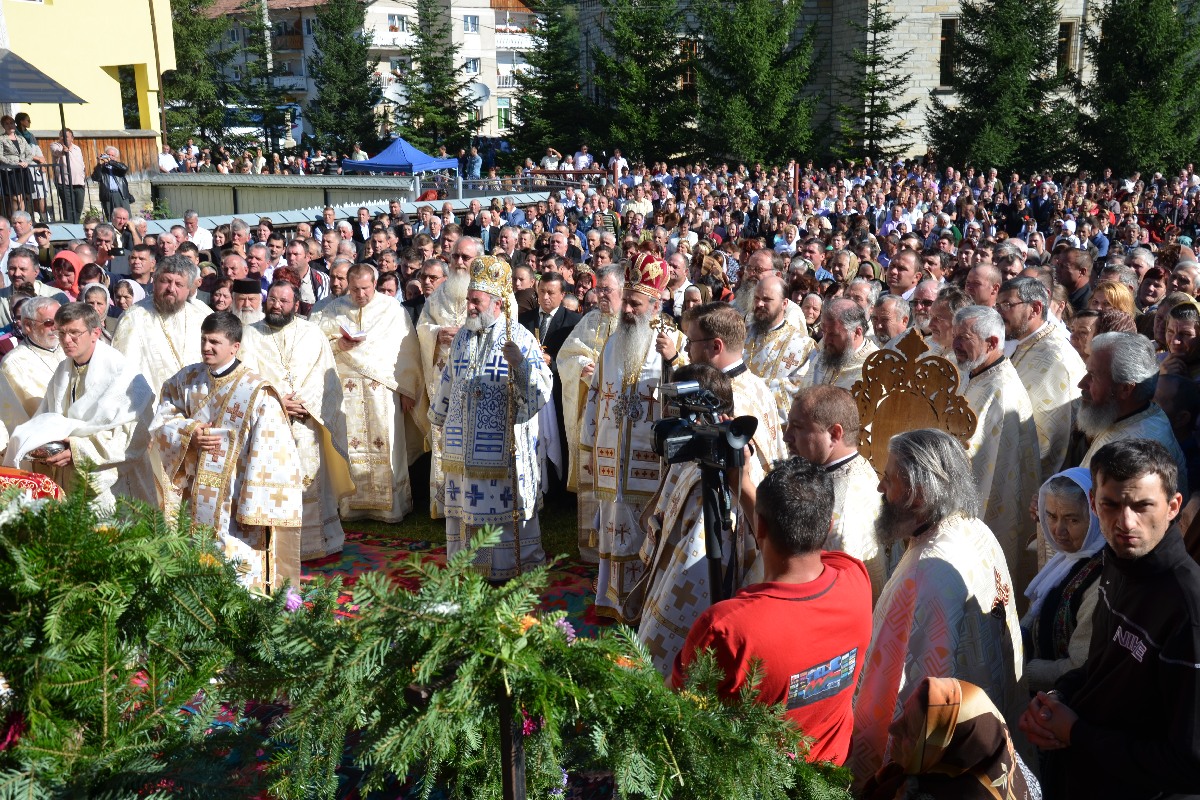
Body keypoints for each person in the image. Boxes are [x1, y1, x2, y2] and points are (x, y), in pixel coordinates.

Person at [1019, 439, 1200, 799]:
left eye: (1142, 505)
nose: (1125, 522)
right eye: (1111, 505)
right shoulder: (1117, 566)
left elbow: (1189, 764)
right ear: (1094, 505)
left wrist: (1076, 733)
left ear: (1173, 507)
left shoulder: (1187, 609)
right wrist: (1056, 699)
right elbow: (1098, 667)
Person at [671, 455, 872, 766]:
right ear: (828, 526)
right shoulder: (856, 580)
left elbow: (675, 711)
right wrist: (744, 484)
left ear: (759, 526)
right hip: (831, 777)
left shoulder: (727, 629)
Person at [850, 429, 1024, 785]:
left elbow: (924, 680)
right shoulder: (974, 528)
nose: (881, 489)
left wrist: (898, 773)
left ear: (917, 493)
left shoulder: (930, 568)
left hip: (946, 752)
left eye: (888, 479)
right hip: (984, 714)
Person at [150, 312, 303, 593]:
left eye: (215, 342)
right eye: (204, 340)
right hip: (197, 491)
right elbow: (163, 417)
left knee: (237, 562)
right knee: (197, 556)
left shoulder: (257, 391)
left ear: (235, 347)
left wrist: (253, 501)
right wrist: (189, 433)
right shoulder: (188, 379)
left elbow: (274, 450)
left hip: (236, 494)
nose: (207, 347)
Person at [580, 251, 689, 623]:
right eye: (626, 300)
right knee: (613, 528)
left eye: (635, 303)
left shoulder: (674, 344)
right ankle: (610, 599)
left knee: (646, 533)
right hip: (612, 459)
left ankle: (643, 608)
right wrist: (591, 444)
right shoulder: (613, 342)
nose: (626, 309)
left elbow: (690, 398)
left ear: (656, 306)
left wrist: (673, 362)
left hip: (652, 464)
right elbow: (596, 396)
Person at [430, 255, 552, 580]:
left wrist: (522, 366)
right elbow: (449, 380)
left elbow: (544, 389)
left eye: (475, 301)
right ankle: (467, 568)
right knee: (465, 510)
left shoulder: (519, 337)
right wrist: (439, 417)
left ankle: (505, 570)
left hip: (500, 452)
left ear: (496, 304)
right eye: (469, 300)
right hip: (462, 450)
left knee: (501, 514)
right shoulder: (462, 337)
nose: (469, 306)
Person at [4, 302, 155, 510]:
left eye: (75, 333)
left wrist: (77, 450)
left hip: (116, 484)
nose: (66, 340)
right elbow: (46, 418)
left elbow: (136, 436)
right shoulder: (63, 371)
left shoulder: (124, 375)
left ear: (95, 333)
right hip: (71, 478)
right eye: (62, 333)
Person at [240, 280, 352, 560]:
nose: (277, 305)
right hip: (266, 423)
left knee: (309, 479)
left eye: (284, 301)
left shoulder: (312, 333)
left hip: (305, 419)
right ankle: (276, 545)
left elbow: (324, 377)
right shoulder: (249, 335)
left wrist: (302, 403)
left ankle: (314, 543)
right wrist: (277, 402)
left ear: (296, 305)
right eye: (273, 300)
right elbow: (245, 377)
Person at [312, 263, 423, 523]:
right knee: (351, 443)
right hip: (345, 391)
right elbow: (317, 344)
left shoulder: (392, 310)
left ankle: (389, 508)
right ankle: (353, 505)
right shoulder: (333, 310)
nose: (360, 294)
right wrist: (339, 344)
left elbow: (406, 350)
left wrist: (407, 389)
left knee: (386, 445)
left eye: (365, 288)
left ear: (374, 284)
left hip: (382, 392)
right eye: (354, 289)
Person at [953, 305, 1042, 589]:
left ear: (991, 343)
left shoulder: (1000, 390)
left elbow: (977, 458)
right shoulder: (977, 372)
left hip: (989, 506)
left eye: (964, 337)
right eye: (955, 336)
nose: (955, 344)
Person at [784, 385, 888, 597]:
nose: (786, 437)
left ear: (834, 434)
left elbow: (830, 596)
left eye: (797, 427)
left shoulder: (841, 512)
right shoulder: (857, 466)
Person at [416, 237, 494, 517]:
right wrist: (437, 334)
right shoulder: (438, 296)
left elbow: (504, 329)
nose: (459, 262)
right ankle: (446, 504)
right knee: (445, 441)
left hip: (479, 381)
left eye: (466, 257)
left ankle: (478, 502)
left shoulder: (493, 292)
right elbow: (422, 328)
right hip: (444, 381)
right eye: (455, 257)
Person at [860, 677, 1036, 800]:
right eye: (903, 713)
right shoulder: (1005, 763)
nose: (892, 728)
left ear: (946, 752)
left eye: (909, 731)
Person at [557, 265, 620, 562]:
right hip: (591, 414)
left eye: (607, 289)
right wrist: (582, 367)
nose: (600, 294)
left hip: (619, 418)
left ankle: (617, 546)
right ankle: (591, 548)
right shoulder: (591, 319)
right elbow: (566, 355)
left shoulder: (634, 324)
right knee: (592, 477)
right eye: (600, 289)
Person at [1022, 469, 1104, 695]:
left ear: (1096, 515)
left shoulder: (1100, 579)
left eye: (1073, 519)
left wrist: (1020, 672)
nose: (1059, 530)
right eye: (1050, 515)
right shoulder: (1066, 558)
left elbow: (1079, 665)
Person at [998, 277, 1086, 478]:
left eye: (1007, 305)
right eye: (998, 305)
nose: (999, 313)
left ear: (1036, 308)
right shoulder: (1022, 342)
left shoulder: (1056, 358)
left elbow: (1049, 439)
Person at [1078, 332, 1189, 489]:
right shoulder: (1144, 412)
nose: (1082, 384)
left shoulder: (1132, 453)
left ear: (1125, 389)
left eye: (1093, 376)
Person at [112, 256, 210, 404]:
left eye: (178, 284)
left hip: (196, 404)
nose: (171, 289)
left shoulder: (201, 317)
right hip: (149, 406)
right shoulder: (133, 318)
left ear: (189, 288)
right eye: (165, 281)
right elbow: (123, 372)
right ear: (154, 281)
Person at [745, 274, 815, 422]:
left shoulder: (803, 346)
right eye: (756, 298)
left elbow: (800, 389)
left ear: (784, 304)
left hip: (775, 428)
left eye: (766, 300)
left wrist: (746, 387)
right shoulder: (741, 334)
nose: (759, 304)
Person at [0, 297, 63, 442]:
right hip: (41, 443)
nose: (56, 327)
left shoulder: (68, 349)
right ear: (28, 326)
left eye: (60, 321)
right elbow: (19, 417)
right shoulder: (13, 363)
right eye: (49, 323)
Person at [797, 297, 878, 389]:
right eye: (823, 332)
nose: (826, 340)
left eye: (834, 334)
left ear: (857, 332)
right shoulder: (825, 354)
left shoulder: (875, 367)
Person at [48, 128, 86, 223]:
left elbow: (82, 163)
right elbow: (56, 152)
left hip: (79, 182)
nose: (63, 138)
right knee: (68, 207)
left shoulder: (77, 148)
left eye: (66, 136)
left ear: (72, 138)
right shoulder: (55, 145)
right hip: (64, 182)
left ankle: (76, 224)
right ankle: (70, 225)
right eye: (61, 136)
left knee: (78, 207)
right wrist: (63, 152)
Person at [92, 146, 133, 219]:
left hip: (120, 194)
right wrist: (98, 163)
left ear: (116, 157)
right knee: (111, 217)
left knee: (125, 217)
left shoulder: (118, 166)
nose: (110, 157)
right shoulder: (101, 167)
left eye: (112, 155)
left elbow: (124, 168)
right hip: (107, 195)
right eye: (108, 154)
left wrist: (110, 162)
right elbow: (96, 178)